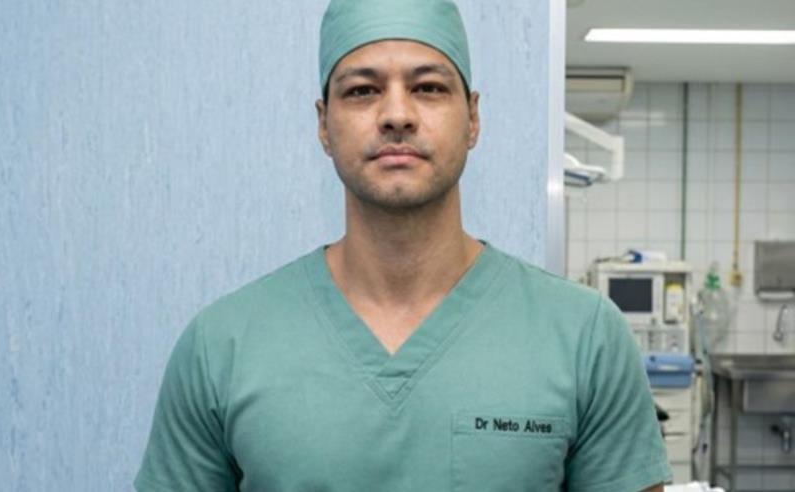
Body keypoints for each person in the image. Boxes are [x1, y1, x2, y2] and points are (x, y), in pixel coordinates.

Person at [134, 1, 672, 490]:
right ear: (324, 125)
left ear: (473, 119)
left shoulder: (584, 337)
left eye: (429, 87)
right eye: (362, 91)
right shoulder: (222, 346)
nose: (397, 114)